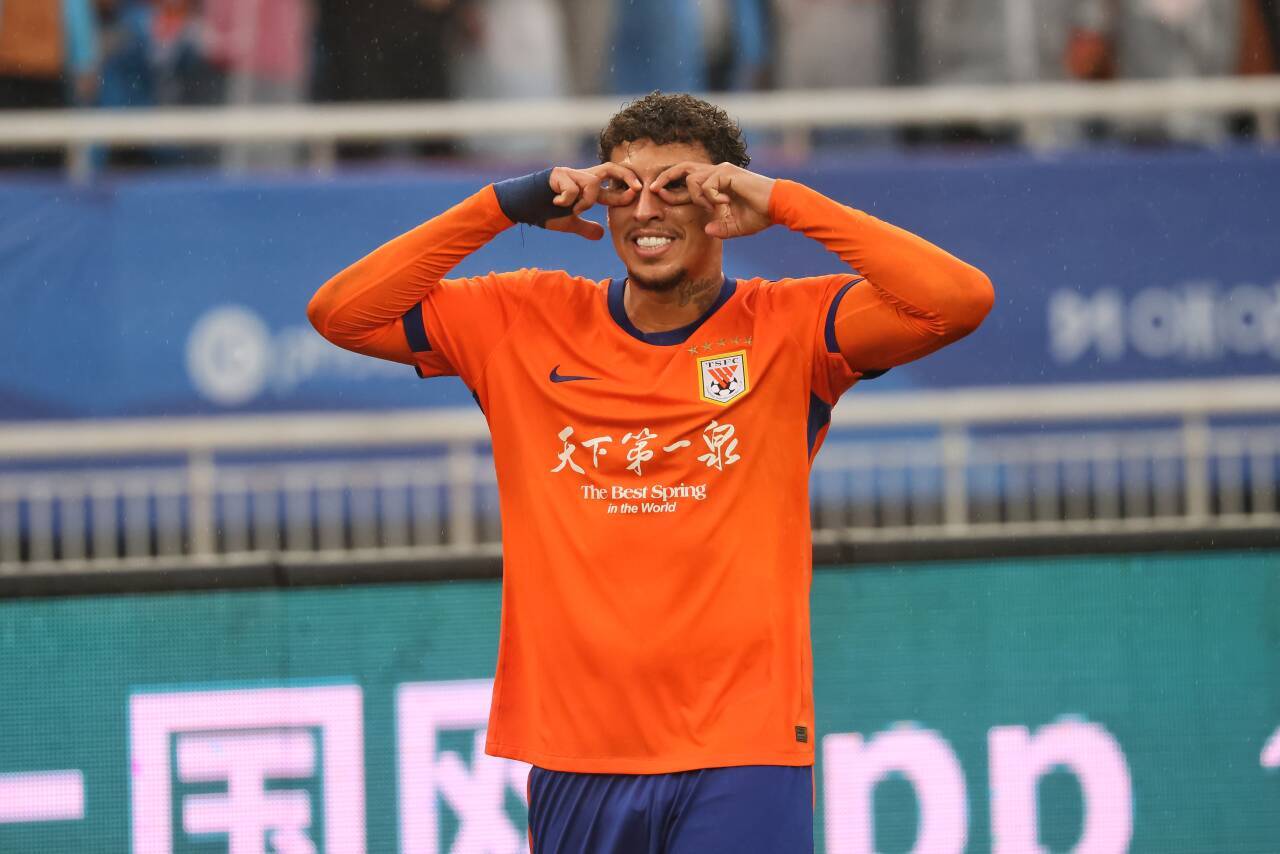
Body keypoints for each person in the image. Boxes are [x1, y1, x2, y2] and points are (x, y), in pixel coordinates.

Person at [308, 92, 993, 853]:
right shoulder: (522, 317)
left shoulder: (791, 327)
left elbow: (958, 300)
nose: (645, 210)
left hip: (743, 751)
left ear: (723, 200)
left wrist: (786, 203)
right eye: (624, 186)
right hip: (576, 755)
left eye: (677, 186)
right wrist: (502, 206)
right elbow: (341, 314)